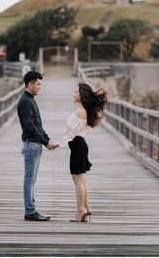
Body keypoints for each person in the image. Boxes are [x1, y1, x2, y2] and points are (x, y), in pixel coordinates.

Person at [58, 83, 107, 222]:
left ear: (81, 95)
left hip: (78, 145)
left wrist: (58, 144)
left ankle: (81, 210)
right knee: (80, 179)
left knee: (78, 179)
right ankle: (86, 207)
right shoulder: (84, 109)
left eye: (75, 92)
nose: (73, 94)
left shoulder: (81, 111)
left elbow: (72, 133)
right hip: (79, 145)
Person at [17, 70, 58, 221]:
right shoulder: (26, 102)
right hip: (31, 145)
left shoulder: (30, 100)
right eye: (38, 84)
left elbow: (37, 125)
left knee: (31, 179)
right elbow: (29, 127)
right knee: (29, 179)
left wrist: (47, 139)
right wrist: (45, 142)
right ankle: (30, 211)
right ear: (30, 84)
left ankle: (31, 209)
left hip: (34, 144)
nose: (40, 87)